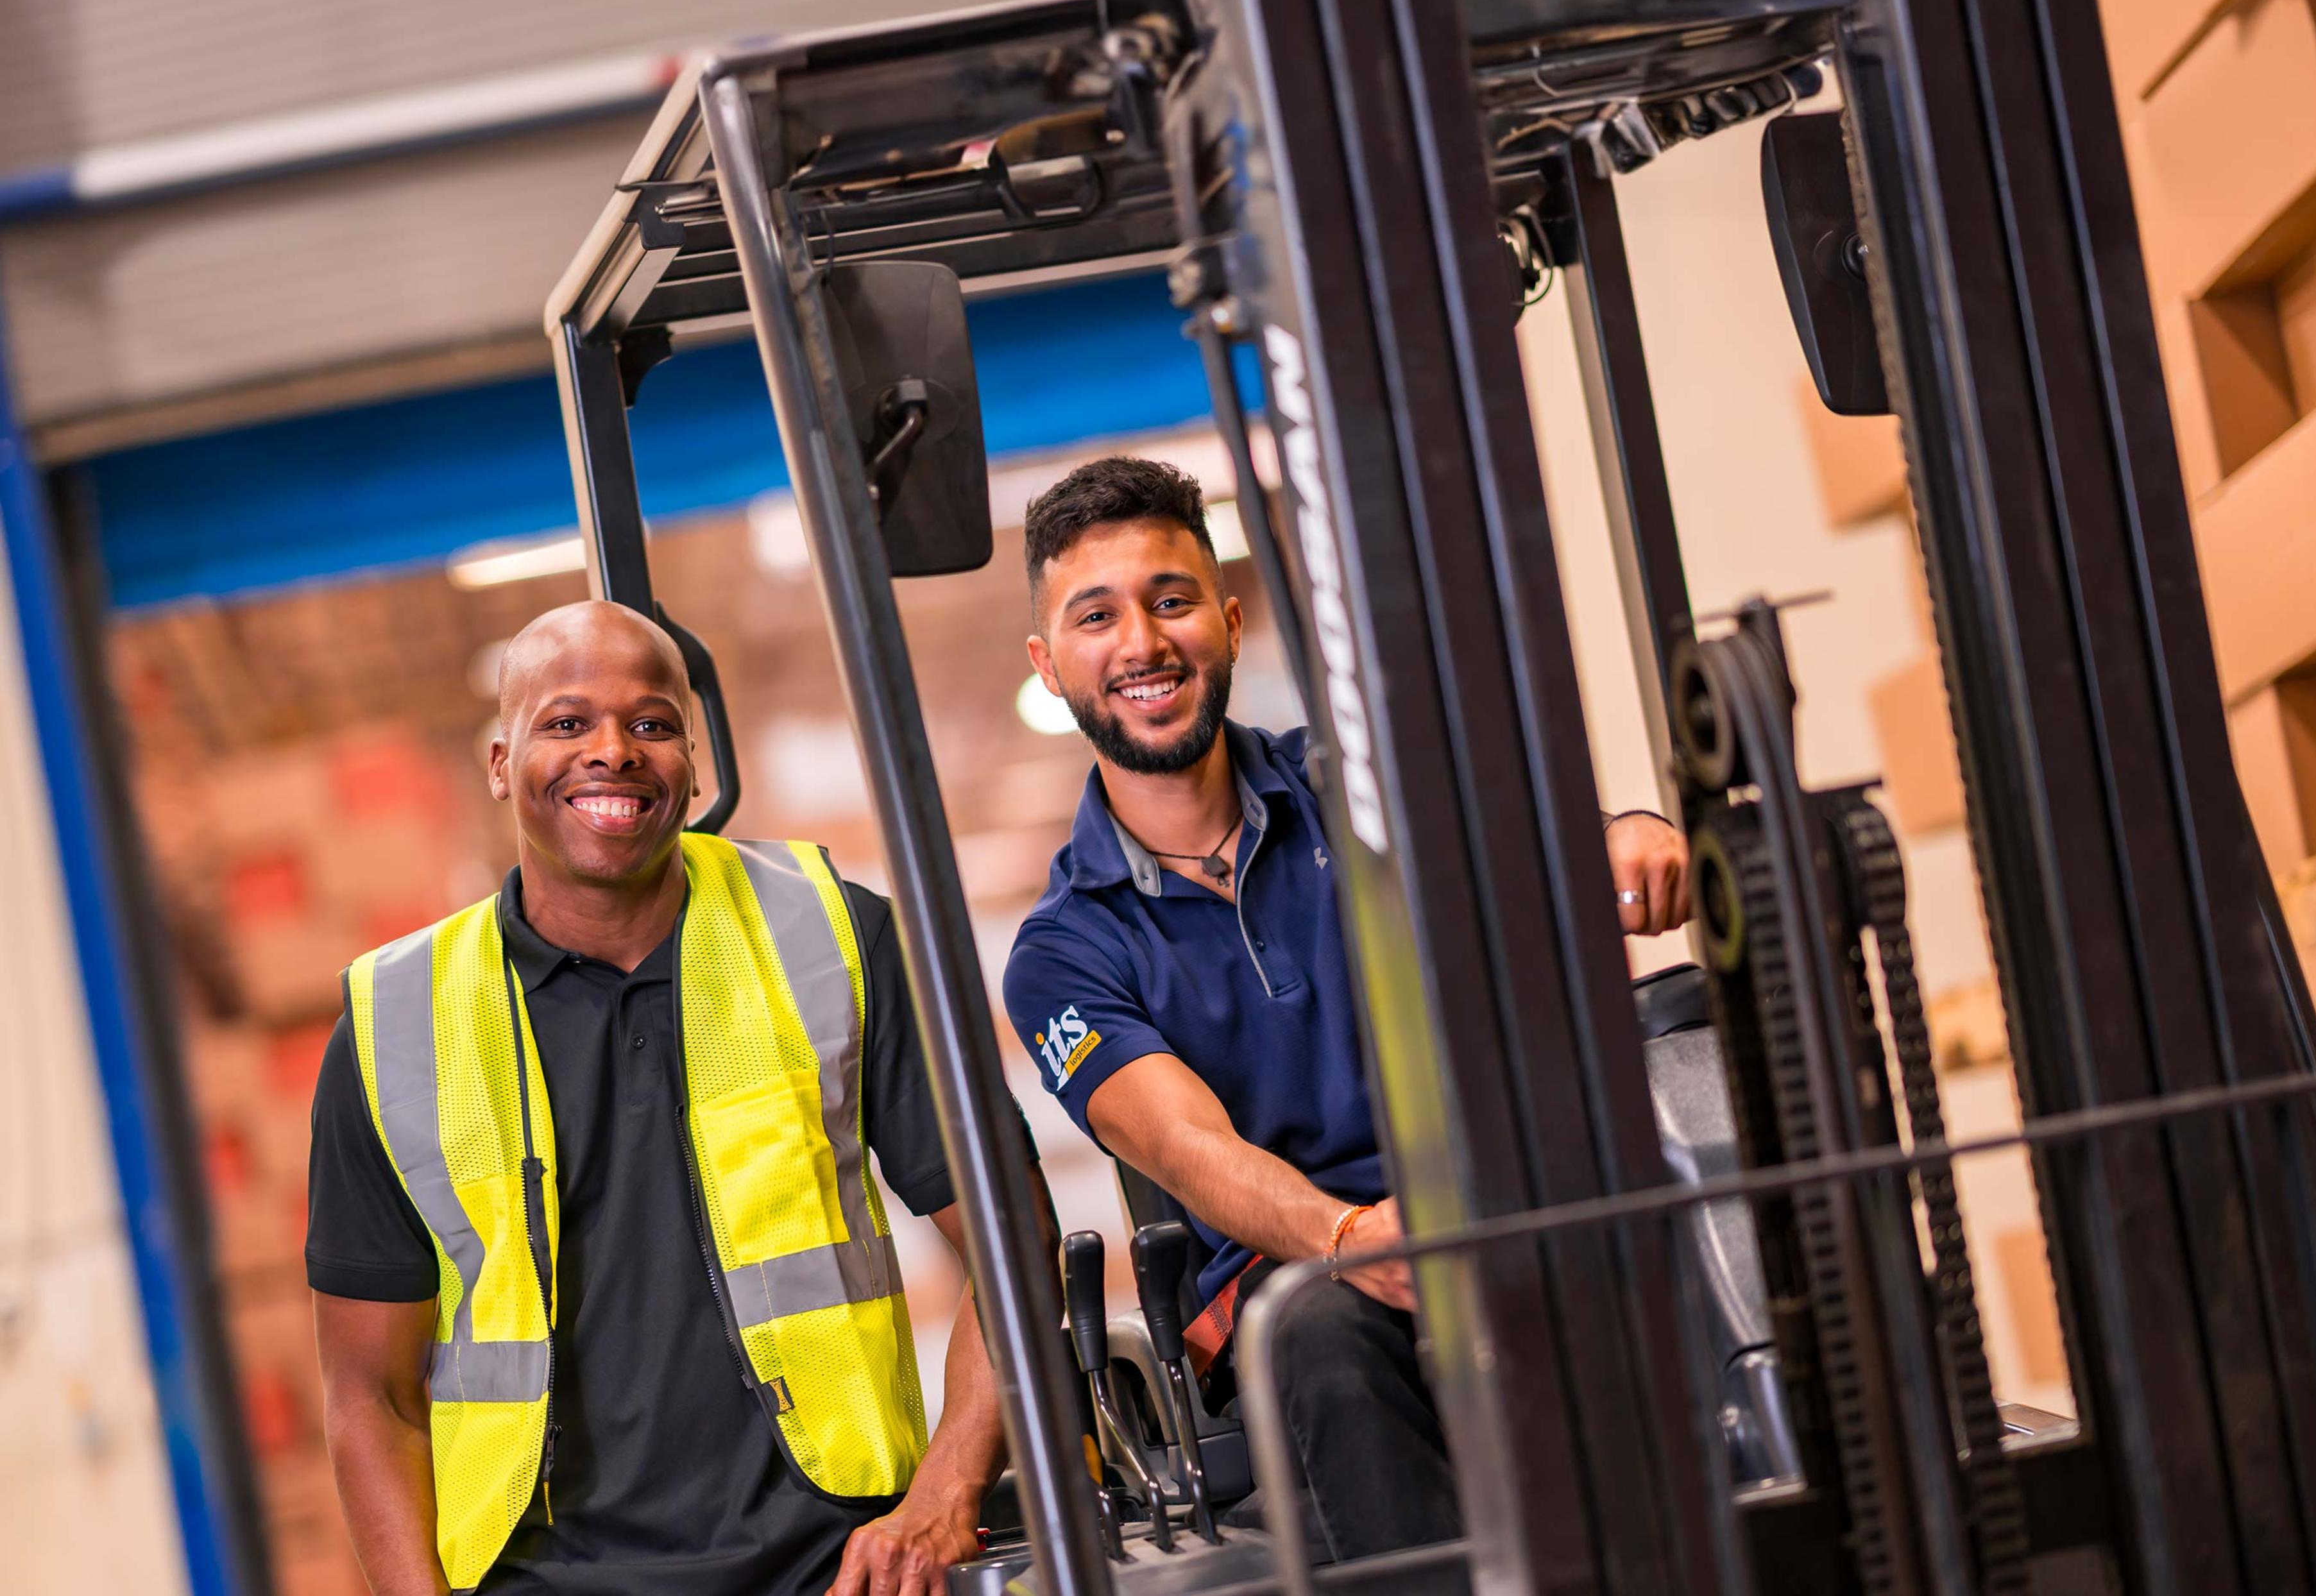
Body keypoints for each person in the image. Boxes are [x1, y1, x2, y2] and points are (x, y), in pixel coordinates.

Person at [1001, 457, 1689, 1562]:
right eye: (1098, 617)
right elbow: (1184, 1144)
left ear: (1226, 621)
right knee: (1324, 1332)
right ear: (1051, 662)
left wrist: (1628, 833)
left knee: (1710, 1211)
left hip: (1494, 1211)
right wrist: (1347, 1236)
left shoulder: (1357, 787)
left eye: (1172, 600)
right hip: (1300, 1280)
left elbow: (1531, 842)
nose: (1142, 642)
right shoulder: (1065, 954)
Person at [307, 601, 1011, 1596]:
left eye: (651, 724)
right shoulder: (394, 1027)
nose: (613, 753)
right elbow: (367, 1396)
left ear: (692, 757)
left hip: (834, 1566)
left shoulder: (833, 936)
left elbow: (1009, 1239)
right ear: (502, 763)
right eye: (566, 723)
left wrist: (945, 1495)